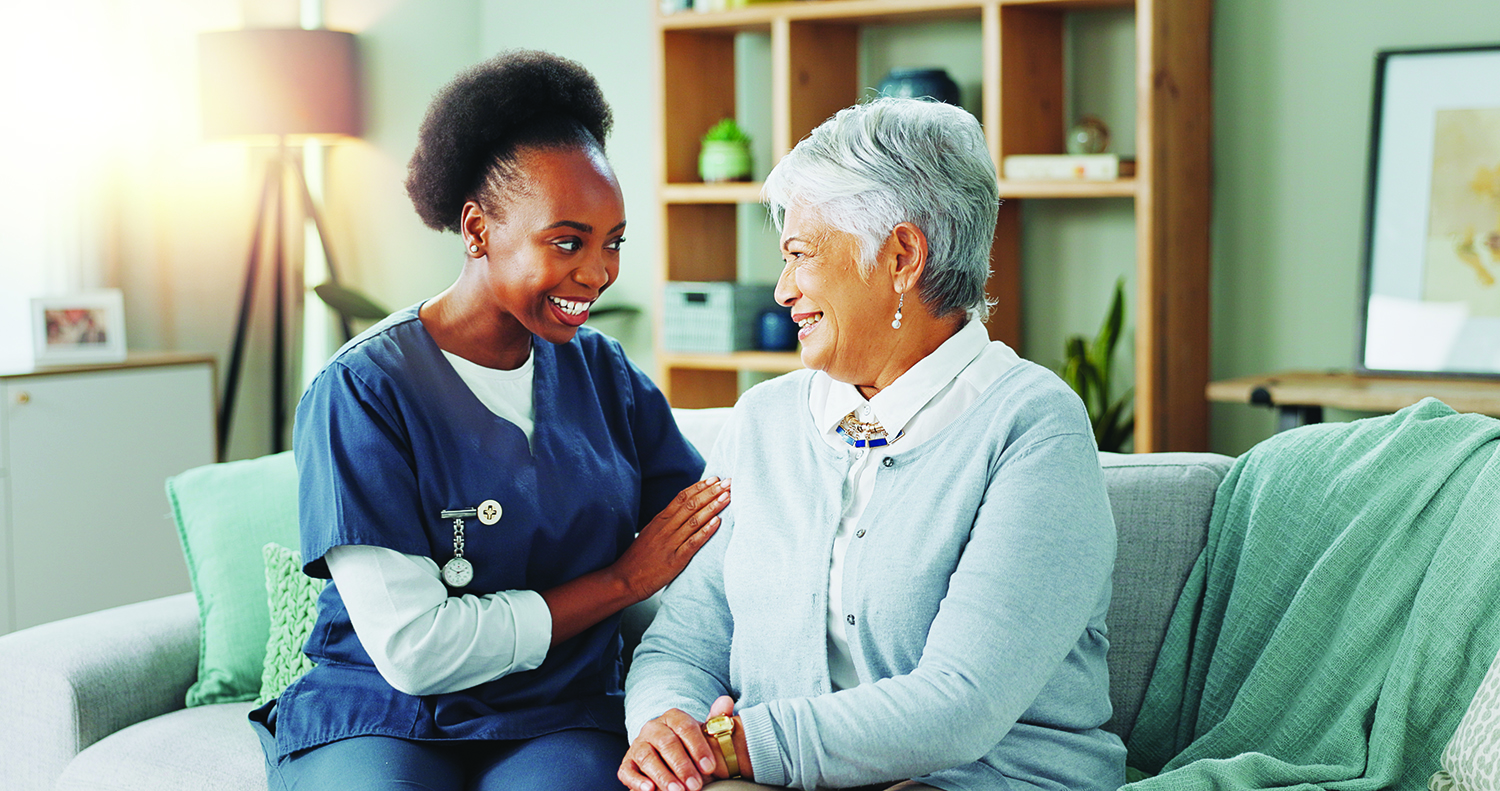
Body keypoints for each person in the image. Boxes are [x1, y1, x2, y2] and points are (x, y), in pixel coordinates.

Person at [249, 50, 730, 791]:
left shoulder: (604, 375)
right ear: (477, 229)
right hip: (384, 706)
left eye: (613, 243)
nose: (598, 272)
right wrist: (621, 580)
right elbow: (415, 650)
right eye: (567, 241)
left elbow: (713, 540)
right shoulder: (364, 390)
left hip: (560, 710)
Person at [620, 97, 1124, 791]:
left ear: (901, 256)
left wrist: (737, 743)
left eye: (801, 255)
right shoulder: (764, 421)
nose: (783, 288)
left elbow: (960, 703)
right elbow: (684, 642)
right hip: (774, 774)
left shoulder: (1033, 429)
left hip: (978, 778)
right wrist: (667, 728)